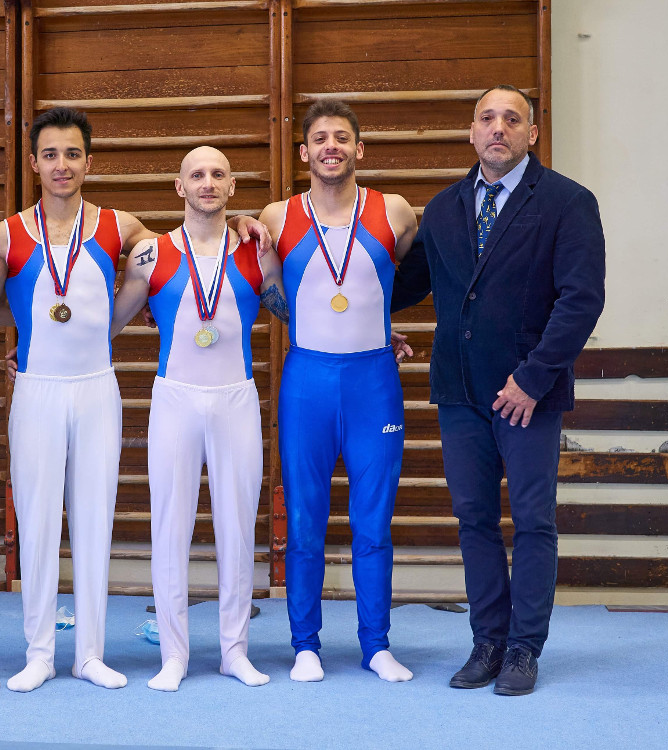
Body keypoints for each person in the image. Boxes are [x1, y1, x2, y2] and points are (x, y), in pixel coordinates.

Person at [0, 108, 271, 693]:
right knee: (35, 521)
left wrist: (243, 221)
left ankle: (89, 653)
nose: (62, 165)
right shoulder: (5, 235)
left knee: (94, 521)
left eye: (73, 154)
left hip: (97, 388)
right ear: (34, 163)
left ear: (89, 161)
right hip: (36, 388)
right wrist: (32, 333)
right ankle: (39, 653)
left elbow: (186, 249)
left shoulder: (126, 229)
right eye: (51, 155)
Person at [390, 84, 605, 696]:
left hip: (528, 394)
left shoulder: (567, 202)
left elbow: (582, 298)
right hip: (460, 393)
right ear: (471, 131)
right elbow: (405, 285)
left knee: (534, 522)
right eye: (487, 118)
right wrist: (324, 287)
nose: (498, 129)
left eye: (512, 119)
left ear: (531, 134)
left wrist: (533, 377)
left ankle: (523, 649)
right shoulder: (446, 207)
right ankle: (487, 641)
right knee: (474, 519)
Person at [112, 146, 287, 692]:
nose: (207, 183)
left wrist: (376, 335)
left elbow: (292, 311)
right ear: (178, 186)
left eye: (217, 174)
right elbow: (108, 324)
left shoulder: (257, 252)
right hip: (176, 399)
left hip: (235, 398)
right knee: (170, 528)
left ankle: (235, 650)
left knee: (237, 526)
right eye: (196, 175)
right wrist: (32, 350)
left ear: (233, 186)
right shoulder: (150, 255)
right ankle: (174, 655)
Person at [255, 99, 418, 683]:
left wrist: (378, 327)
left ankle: (376, 645)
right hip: (308, 381)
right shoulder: (276, 216)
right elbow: (272, 293)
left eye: (342, 138)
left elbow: (401, 277)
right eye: (320, 138)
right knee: (304, 519)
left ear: (359, 148)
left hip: (373, 379)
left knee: (374, 521)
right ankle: (306, 645)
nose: (331, 147)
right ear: (303, 152)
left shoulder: (394, 211)